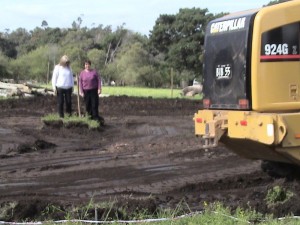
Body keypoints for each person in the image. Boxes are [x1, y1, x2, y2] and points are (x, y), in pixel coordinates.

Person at [79, 60, 105, 125]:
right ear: (84, 65)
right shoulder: (82, 73)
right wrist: (81, 91)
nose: (87, 66)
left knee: (94, 104)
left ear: (90, 65)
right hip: (86, 91)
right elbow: (80, 82)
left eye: (88, 64)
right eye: (86, 65)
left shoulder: (94, 72)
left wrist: (99, 88)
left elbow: (99, 80)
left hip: (94, 90)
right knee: (87, 105)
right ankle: (89, 118)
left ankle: (95, 118)